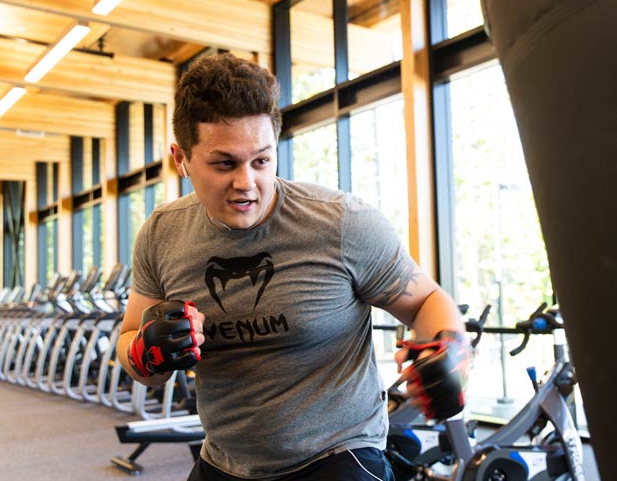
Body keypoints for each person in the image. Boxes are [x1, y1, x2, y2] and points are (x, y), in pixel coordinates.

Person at [116, 52, 469, 481]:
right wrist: (144, 353)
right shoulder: (161, 235)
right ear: (182, 158)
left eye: (261, 161)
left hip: (338, 455)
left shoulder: (340, 223)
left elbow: (426, 300)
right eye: (224, 163)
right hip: (226, 460)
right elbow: (133, 347)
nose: (246, 183)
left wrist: (452, 351)